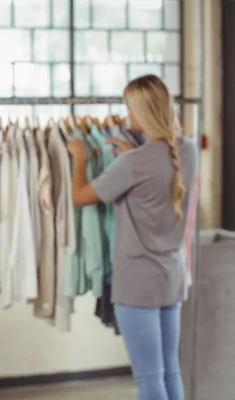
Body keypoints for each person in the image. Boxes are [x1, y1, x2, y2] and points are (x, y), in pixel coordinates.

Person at [67, 75, 198, 400]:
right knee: (170, 372)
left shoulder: (131, 163)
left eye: (129, 109)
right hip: (171, 278)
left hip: (137, 284)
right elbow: (159, 162)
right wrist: (134, 151)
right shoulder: (189, 151)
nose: (126, 116)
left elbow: (80, 196)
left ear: (141, 113)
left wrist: (81, 157)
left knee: (149, 379)